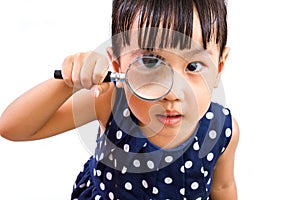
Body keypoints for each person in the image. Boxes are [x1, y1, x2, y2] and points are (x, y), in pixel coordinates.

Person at [0, 0, 239, 199]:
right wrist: (68, 82)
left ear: (218, 68)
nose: (173, 93)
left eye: (193, 66)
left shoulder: (220, 130)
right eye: (150, 62)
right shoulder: (110, 100)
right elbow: (13, 128)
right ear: (118, 66)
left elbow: (223, 187)